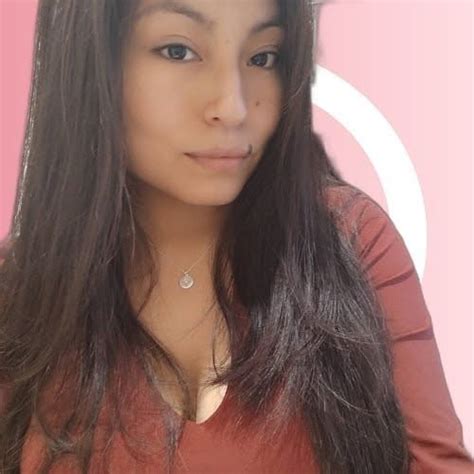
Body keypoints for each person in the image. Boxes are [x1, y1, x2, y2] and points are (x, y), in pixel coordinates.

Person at [0, 0, 472, 472]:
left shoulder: (350, 242)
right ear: (89, 60)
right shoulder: (20, 299)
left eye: (263, 57)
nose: (232, 106)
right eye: (178, 51)